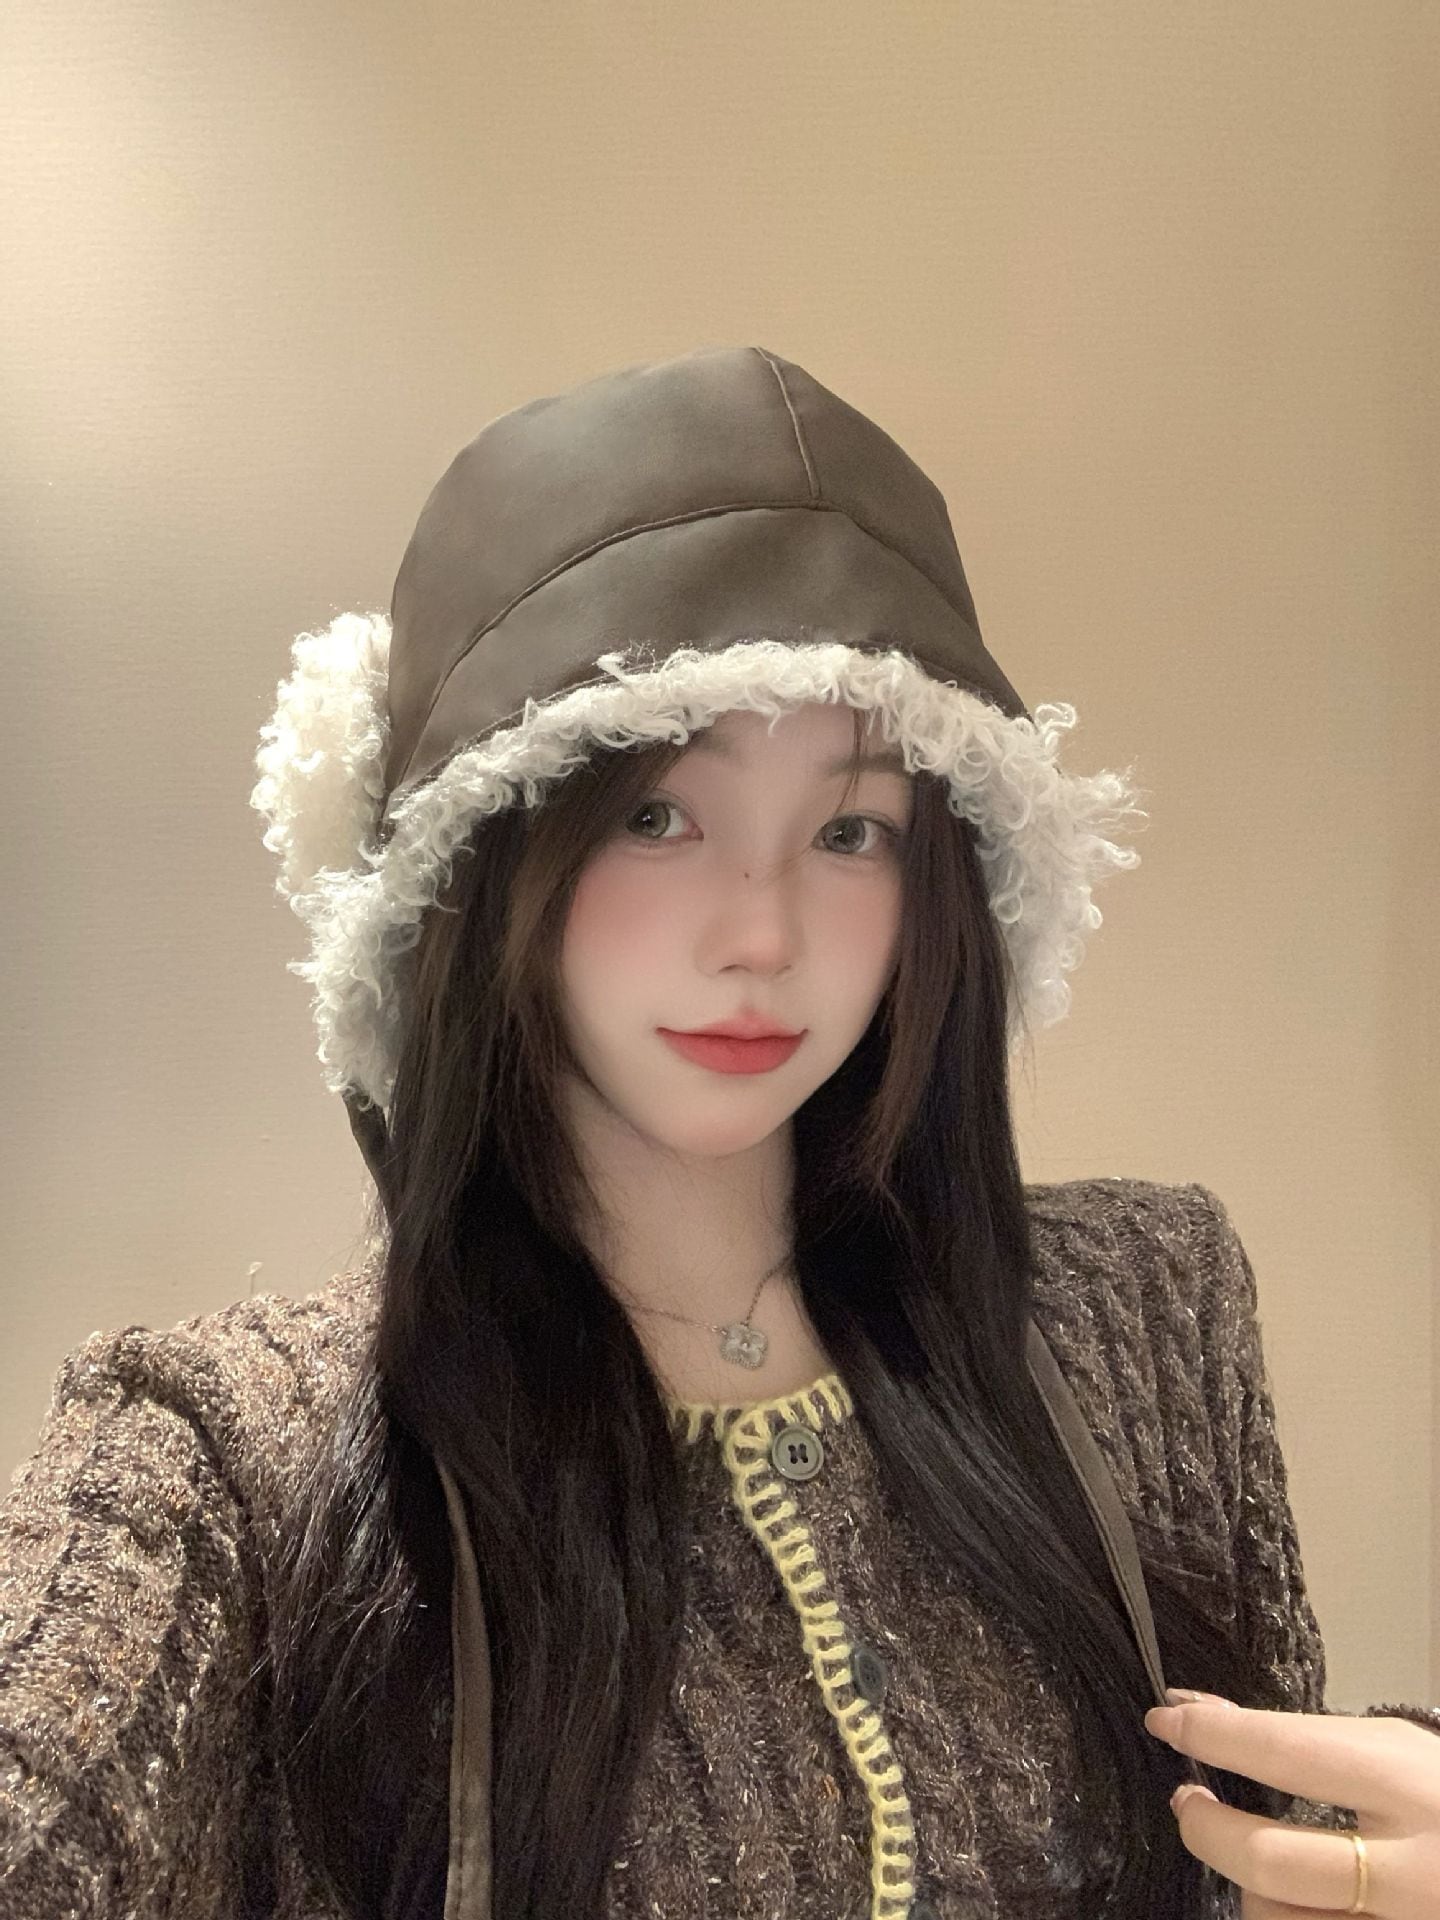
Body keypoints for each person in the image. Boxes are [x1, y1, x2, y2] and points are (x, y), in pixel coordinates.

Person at [1, 346, 1435, 1920]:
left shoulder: (1141, 1320)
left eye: (851, 830)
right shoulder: (231, 1467)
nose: (764, 934)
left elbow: (1285, 1847)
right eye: (657, 816)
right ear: (481, 864)